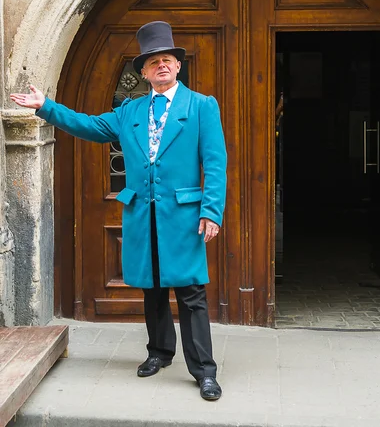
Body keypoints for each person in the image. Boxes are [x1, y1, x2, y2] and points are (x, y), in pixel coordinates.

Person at [11, 21, 227, 401]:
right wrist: (46, 108)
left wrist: (212, 211)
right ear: (143, 72)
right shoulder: (130, 111)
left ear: (177, 66)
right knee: (152, 289)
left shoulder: (201, 106)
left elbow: (215, 162)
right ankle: (159, 353)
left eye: (167, 60)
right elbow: (90, 125)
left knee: (191, 292)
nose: (161, 66)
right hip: (143, 216)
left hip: (184, 217)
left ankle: (204, 372)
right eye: (153, 62)